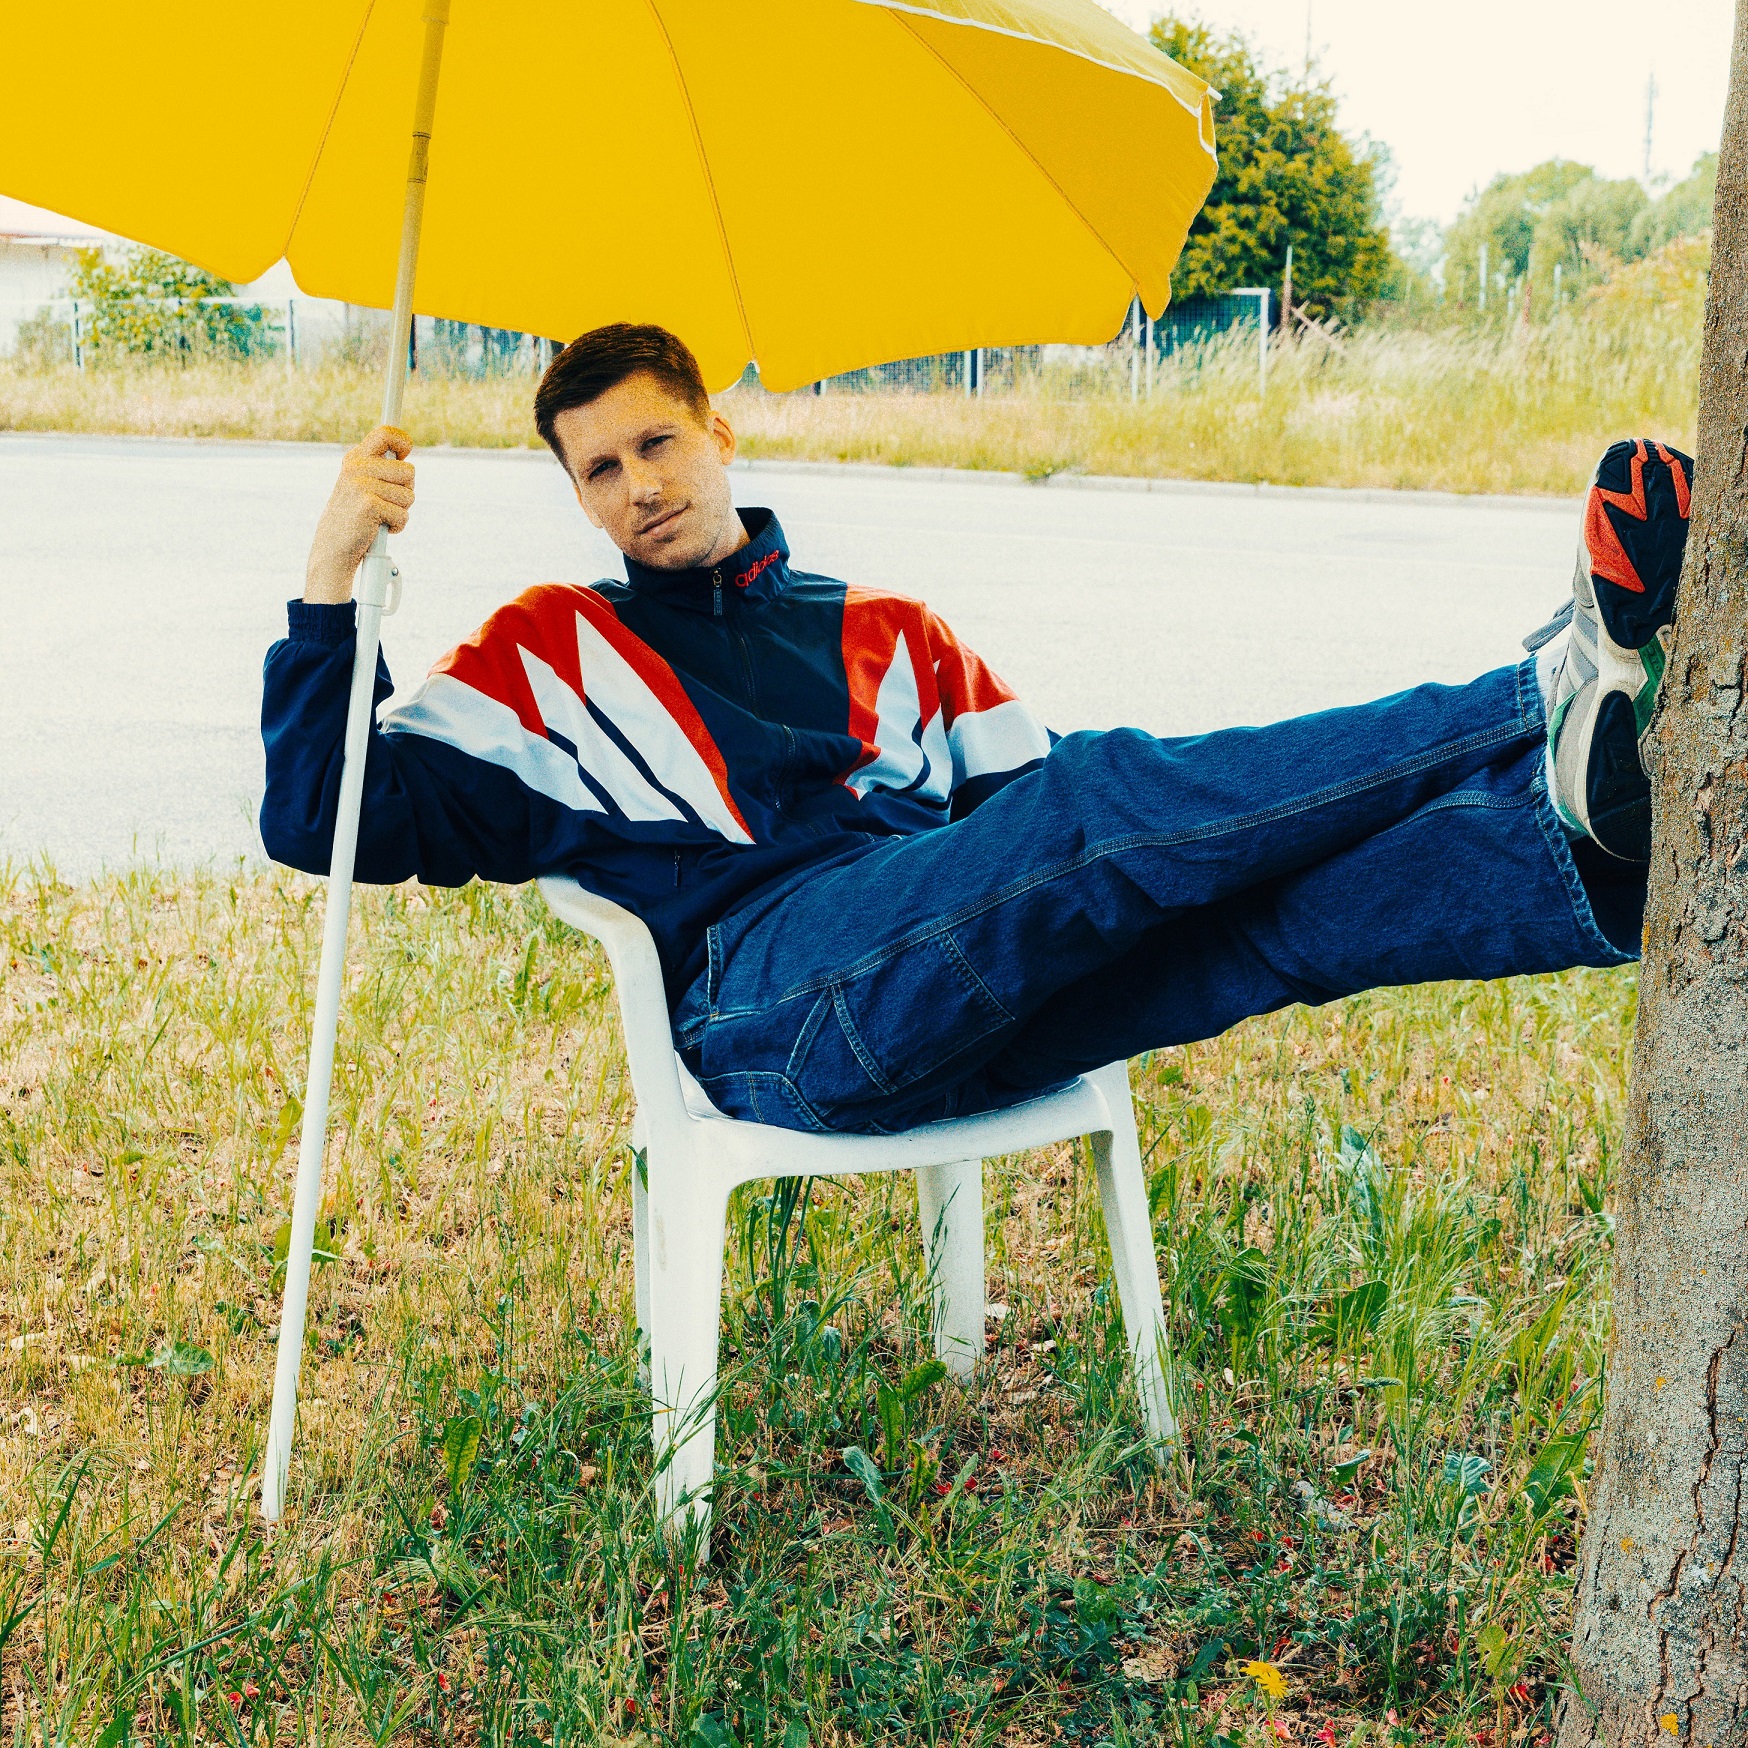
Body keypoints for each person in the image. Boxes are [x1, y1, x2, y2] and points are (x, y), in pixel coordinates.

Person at [262, 323, 1684, 1136]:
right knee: (1100, 801)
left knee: (1255, 926)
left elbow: (1054, 841)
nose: (637, 485)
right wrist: (333, 573)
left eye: (656, 442)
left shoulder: (890, 632)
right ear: (576, 495)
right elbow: (319, 816)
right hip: (772, 1015)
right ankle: (1539, 695)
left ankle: (1595, 849)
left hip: (959, 1003)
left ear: (716, 431)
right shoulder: (550, 655)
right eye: (598, 470)